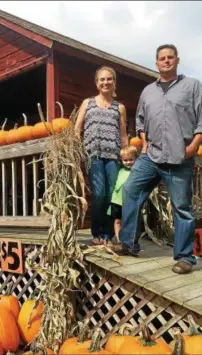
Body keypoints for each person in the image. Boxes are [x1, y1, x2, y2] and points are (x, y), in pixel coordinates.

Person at [118, 44, 202, 274]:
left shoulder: (193, 87)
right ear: (156, 63)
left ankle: (185, 258)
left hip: (179, 157)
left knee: (182, 207)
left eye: (170, 57)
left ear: (177, 60)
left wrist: (192, 147)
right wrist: (143, 141)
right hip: (151, 156)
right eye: (162, 58)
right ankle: (129, 243)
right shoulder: (148, 91)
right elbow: (140, 120)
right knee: (130, 189)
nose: (166, 61)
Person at [75, 66, 129, 245]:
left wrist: (127, 153)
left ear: (115, 82)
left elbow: (122, 134)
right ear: (97, 83)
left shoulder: (119, 107)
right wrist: (74, 149)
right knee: (98, 194)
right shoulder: (87, 103)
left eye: (109, 79)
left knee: (111, 195)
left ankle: (107, 234)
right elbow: (77, 128)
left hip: (113, 156)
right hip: (93, 155)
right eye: (101, 80)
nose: (105, 82)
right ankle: (96, 231)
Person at [107, 145, 138, 245]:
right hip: (117, 200)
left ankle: (128, 240)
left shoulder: (137, 172)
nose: (128, 162)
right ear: (121, 160)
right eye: (125, 160)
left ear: (136, 159)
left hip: (129, 201)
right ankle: (119, 239)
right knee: (117, 220)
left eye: (131, 159)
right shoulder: (119, 170)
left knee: (128, 221)